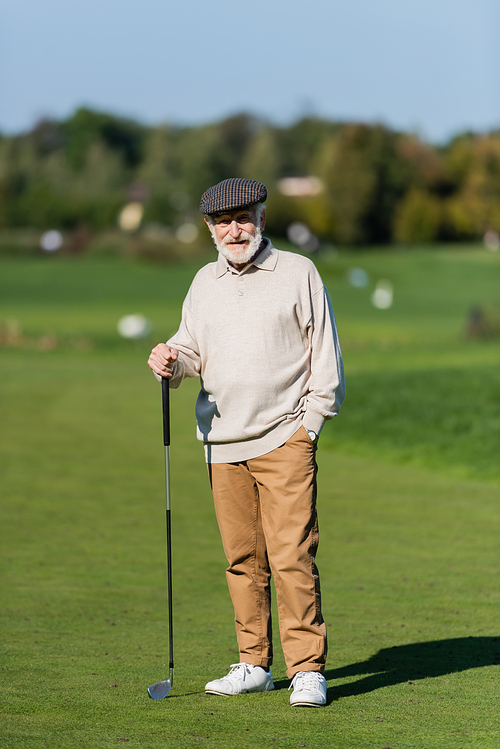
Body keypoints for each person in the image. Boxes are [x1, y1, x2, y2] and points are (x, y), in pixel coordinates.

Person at [147, 178, 345, 707]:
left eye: (243, 217)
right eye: (222, 222)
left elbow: (325, 357)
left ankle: (307, 669)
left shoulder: (298, 272)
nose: (234, 230)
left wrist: (311, 426)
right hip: (222, 443)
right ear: (209, 228)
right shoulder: (204, 282)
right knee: (242, 558)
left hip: (285, 436)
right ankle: (253, 661)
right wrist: (170, 359)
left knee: (292, 556)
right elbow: (192, 350)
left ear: (260, 216)